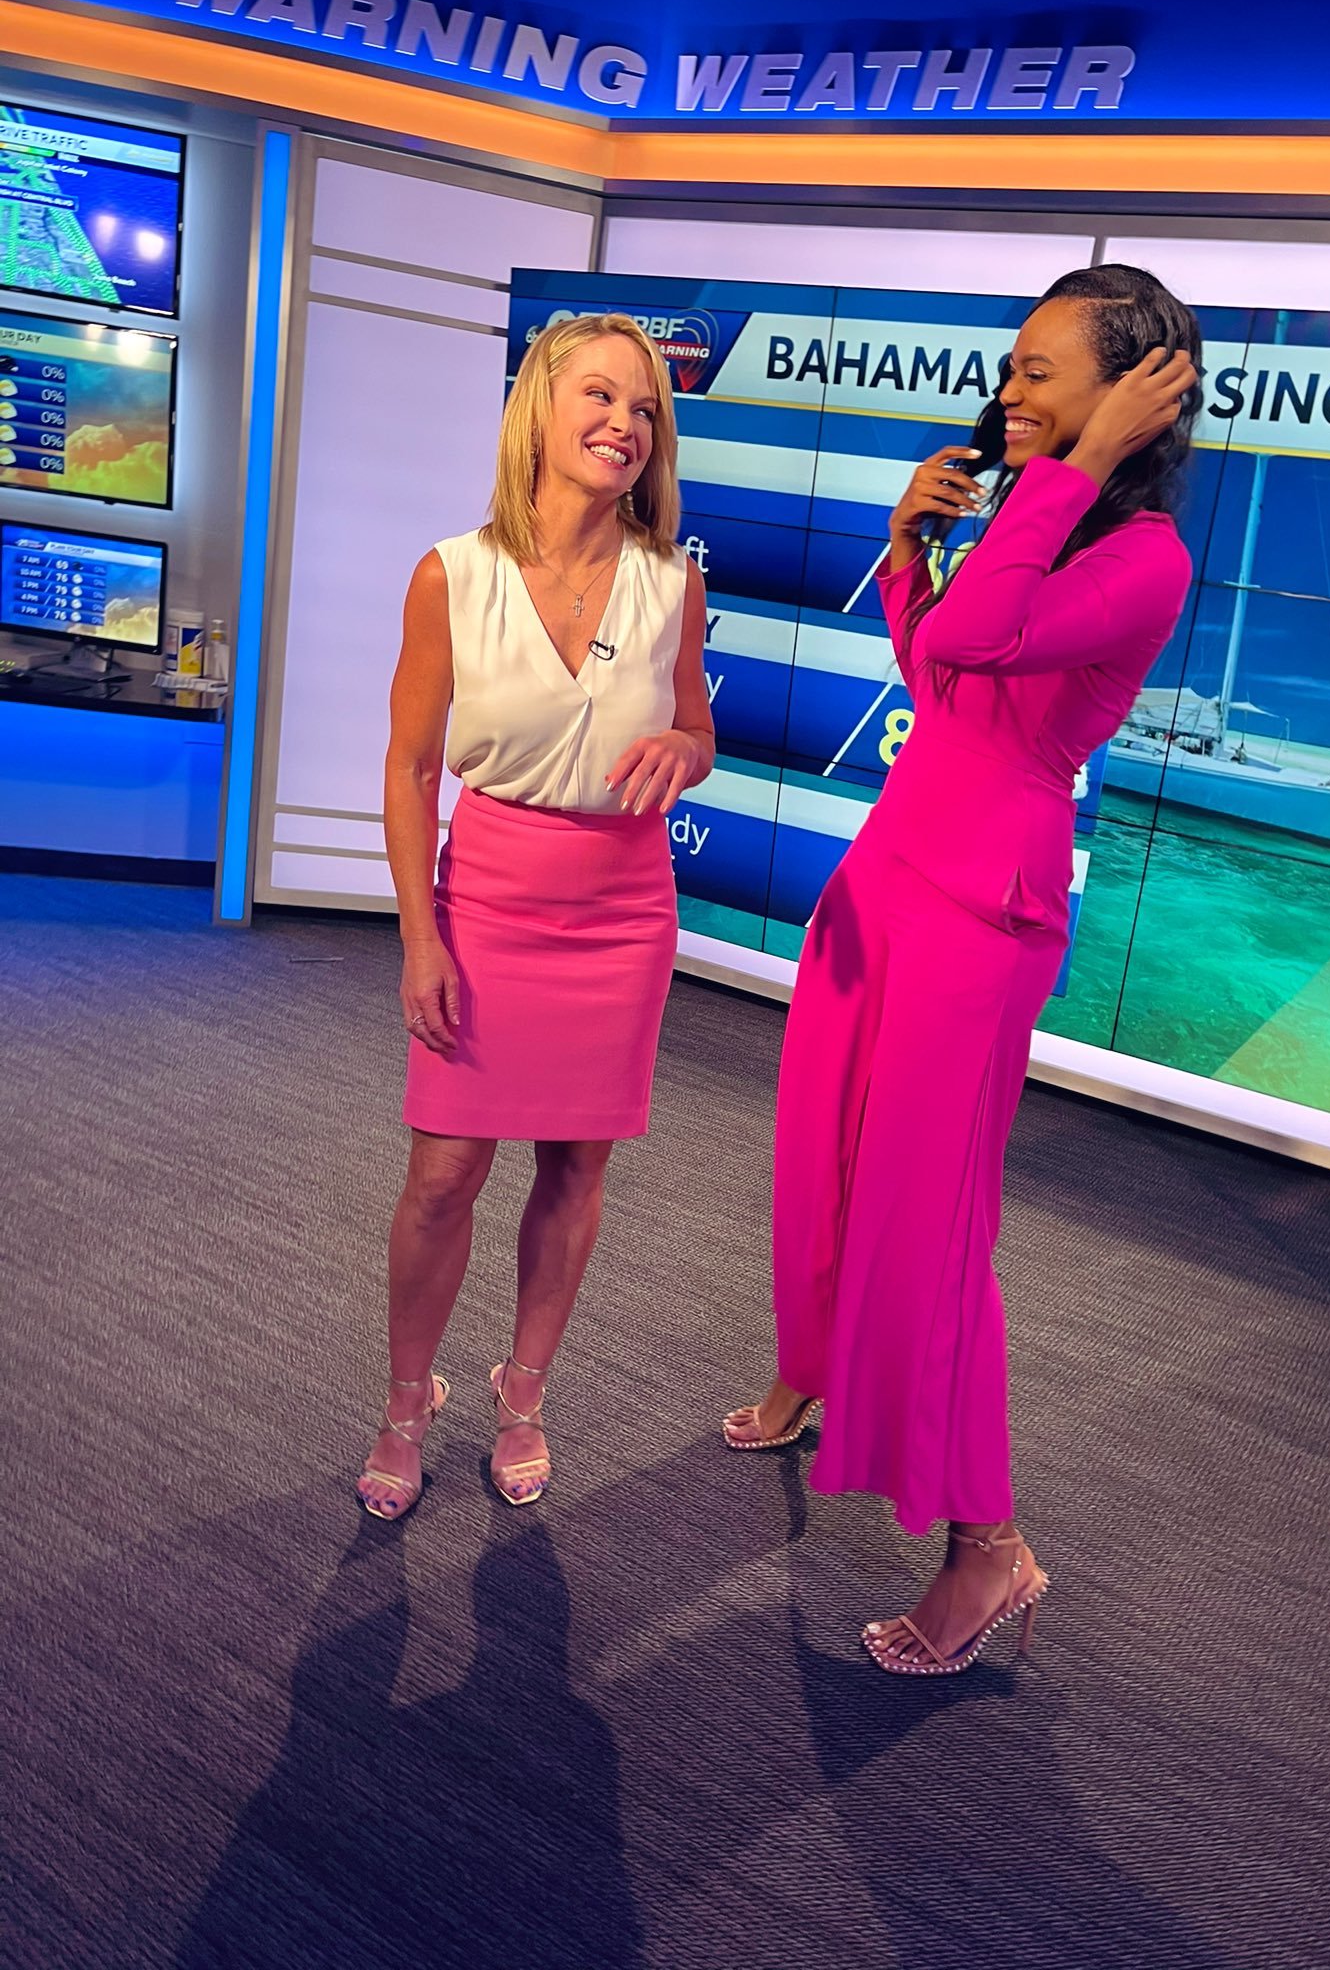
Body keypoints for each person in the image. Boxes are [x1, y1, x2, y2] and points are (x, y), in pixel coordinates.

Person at [724, 264, 1201, 1675]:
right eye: (1013, 367)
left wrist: (1076, 470)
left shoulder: (1143, 556)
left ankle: (989, 1548)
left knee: (926, 1225)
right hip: (886, 876)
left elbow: (989, 642)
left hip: (980, 915)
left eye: (1041, 371)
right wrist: (908, 553)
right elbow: (943, 669)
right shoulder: (1033, 520)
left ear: (1129, 391)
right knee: (823, 1158)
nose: (1009, 392)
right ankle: (814, 1368)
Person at [357, 313, 714, 1521]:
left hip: (623, 911)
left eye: (646, 407)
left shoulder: (672, 579)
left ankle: (524, 1392)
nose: (626, 422)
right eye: (601, 396)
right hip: (490, 896)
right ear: (541, 413)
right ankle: (407, 1401)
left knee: (576, 1162)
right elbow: (411, 768)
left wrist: (686, 748)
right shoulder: (451, 574)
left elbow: (697, 730)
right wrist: (420, 934)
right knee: (444, 1171)